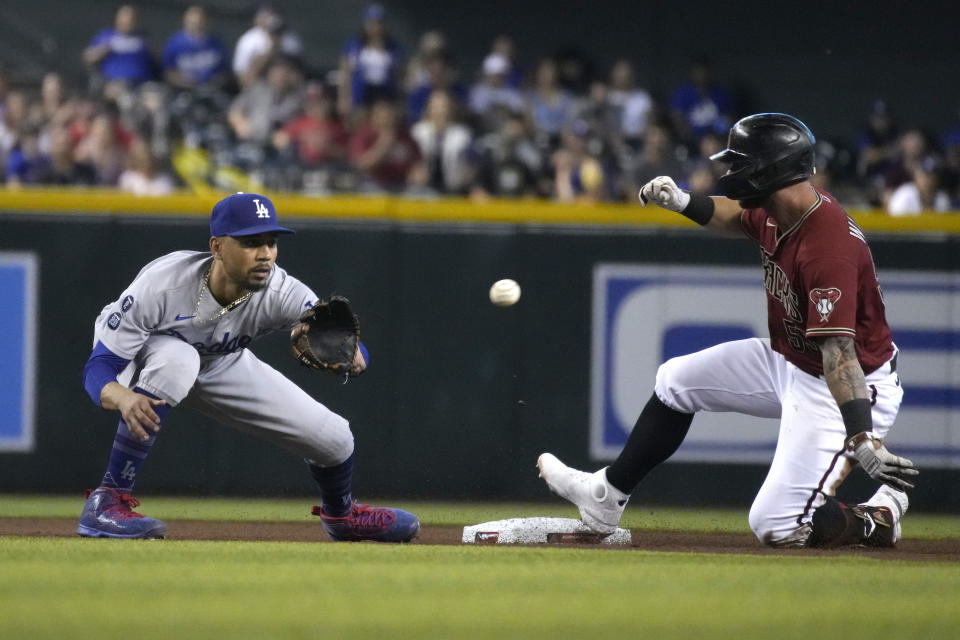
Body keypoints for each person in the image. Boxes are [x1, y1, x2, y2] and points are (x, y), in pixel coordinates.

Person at [538, 113, 918, 549]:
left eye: (742, 163)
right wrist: (684, 202)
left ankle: (878, 517)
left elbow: (839, 354)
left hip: (845, 387)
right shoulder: (780, 207)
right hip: (793, 360)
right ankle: (607, 496)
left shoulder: (825, 248)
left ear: (772, 170)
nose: (732, 172)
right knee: (675, 380)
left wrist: (860, 435)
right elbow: (737, 216)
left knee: (777, 524)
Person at [77, 192, 420, 542]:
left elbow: (341, 337)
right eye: (251, 242)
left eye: (271, 242)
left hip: (220, 362)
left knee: (335, 438)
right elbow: (100, 367)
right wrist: (123, 397)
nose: (265, 254)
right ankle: (106, 501)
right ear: (217, 246)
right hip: (149, 354)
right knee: (178, 360)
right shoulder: (164, 284)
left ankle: (342, 517)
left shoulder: (281, 290)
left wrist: (354, 354)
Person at [83, 5, 157, 87]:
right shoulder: (106, 35)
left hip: (142, 83)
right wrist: (104, 49)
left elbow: (156, 61)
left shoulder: (144, 38)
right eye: (125, 17)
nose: (128, 21)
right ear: (117, 18)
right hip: (113, 82)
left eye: (132, 18)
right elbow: (89, 58)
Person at [162, 5, 230, 90]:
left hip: (212, 90)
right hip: (184, 90)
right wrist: (188, 83)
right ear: (186, 21)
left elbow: (225, 72)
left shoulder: (216, 43)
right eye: (193, 22)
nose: (197, 25)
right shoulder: (175, 44)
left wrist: (215, 82)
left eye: (200, 21)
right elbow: (168, 73)